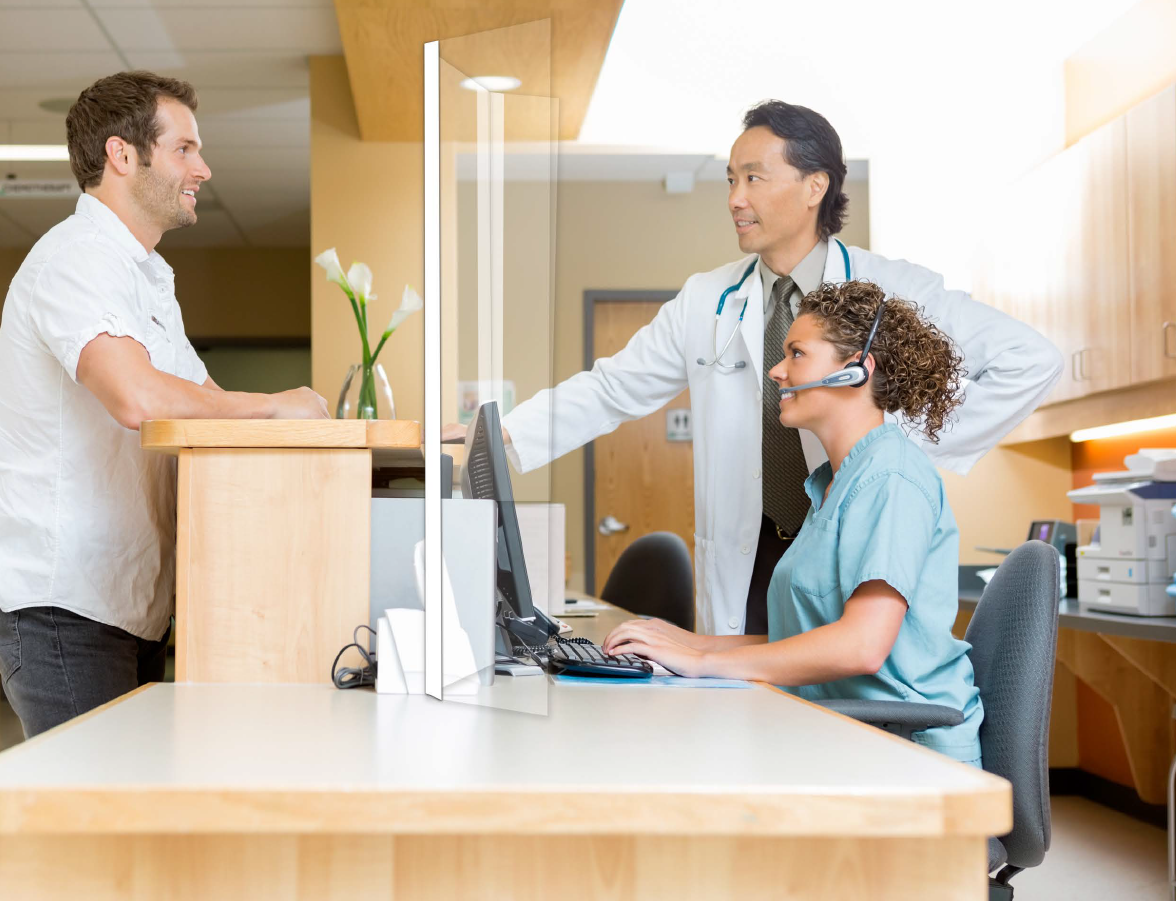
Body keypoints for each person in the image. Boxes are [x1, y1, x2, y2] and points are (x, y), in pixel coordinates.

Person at [446, 100, 1062, 638]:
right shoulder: (705, 300)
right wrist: (500, 439)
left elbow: (1030, 360)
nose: (735, 199)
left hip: (848, 546)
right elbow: (613, 388)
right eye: (731, 180)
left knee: (840, 703)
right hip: (750, 558)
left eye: (754, 178)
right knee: (745, 728)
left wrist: (900, 446)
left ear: (815, 186)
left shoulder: (891, 290)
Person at [0, 71, 330, 738]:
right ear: (122, 154)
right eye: (185, 149)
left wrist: (295, 414)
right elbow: (136, 395)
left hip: (127, 605)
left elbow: (204, 400)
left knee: (125, 818)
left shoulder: (148, 280)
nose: (204, 167)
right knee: (96, 824)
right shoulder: (75, 259)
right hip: (63, 608)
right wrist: (275, 407)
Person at [604, 279, 983, 765]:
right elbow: (804, 639)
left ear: (854, 372)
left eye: (797, 353)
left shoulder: (891, 476)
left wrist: (702, 663)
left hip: (908, 754)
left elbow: (862, 646)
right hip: (847, 734)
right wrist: (686, 642)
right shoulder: (832, 483)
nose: (777, 371)